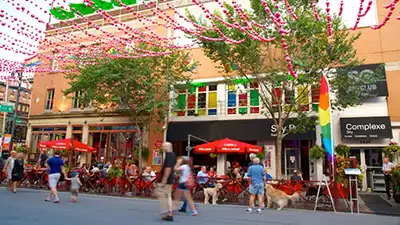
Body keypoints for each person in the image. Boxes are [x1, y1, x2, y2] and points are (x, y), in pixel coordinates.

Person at [156, 142, 176, 221]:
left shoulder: (169, 155)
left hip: (168, 178)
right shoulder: (173, 155)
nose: (162, 148)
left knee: (166, 195)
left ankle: (169, 212)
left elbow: (168, 167)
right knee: (168, 195)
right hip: (170, 177)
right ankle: (169, 212)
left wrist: (164, 178)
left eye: (163, 146)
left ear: (167, 147)